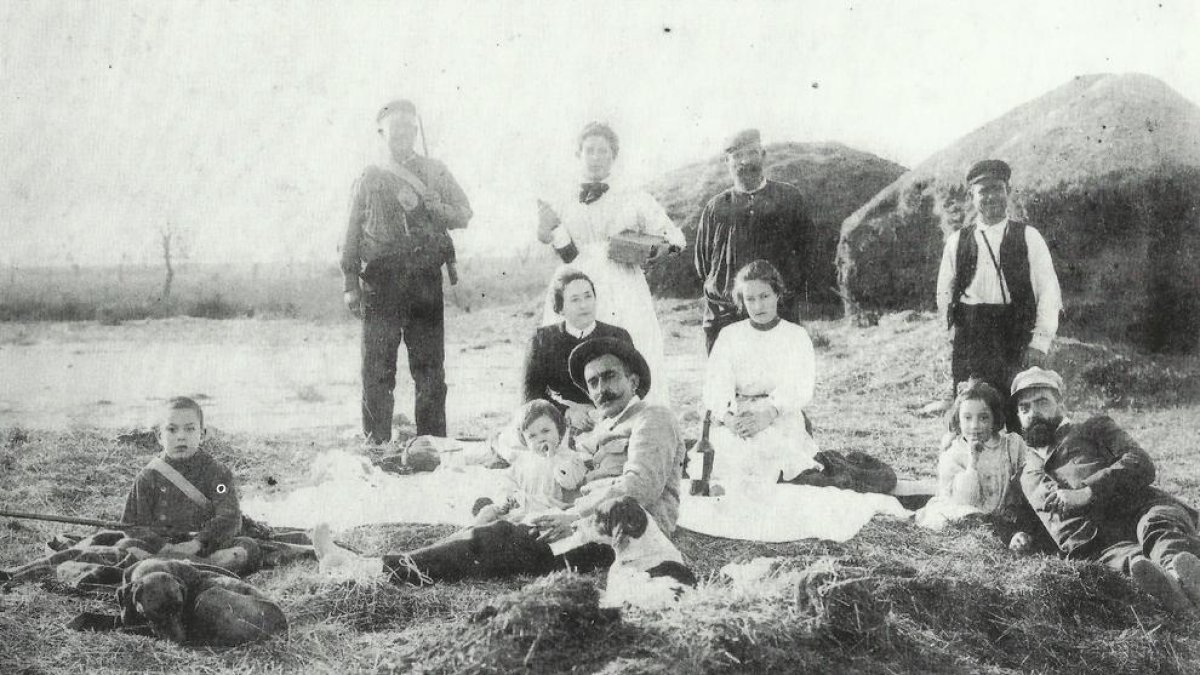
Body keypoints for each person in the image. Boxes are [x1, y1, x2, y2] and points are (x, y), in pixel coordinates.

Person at [316, 337, 685, 584]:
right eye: (592, 383)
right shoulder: (600, 429)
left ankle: (368, 570)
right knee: (492, 525)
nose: (601, 389)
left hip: (626, 537)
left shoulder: (653, 419)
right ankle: (366, 563)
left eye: (610, 377)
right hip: (586, 527)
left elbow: (639, 488)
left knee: (497, 540)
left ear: (634, 381)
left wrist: (569, 517)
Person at [1, 397, 266, 585]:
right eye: (171, 430)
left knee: (244, 551)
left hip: (207, 547)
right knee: (126, 547)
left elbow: (229, 516)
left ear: (203, 433)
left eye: (189, 429)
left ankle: (176, 571)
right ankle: (174, 570)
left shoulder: (217, 473)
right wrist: (164, 547)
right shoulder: (149, 477)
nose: (181, 437)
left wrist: (197, 543)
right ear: (159, 437)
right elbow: (133, 525)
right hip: (159, 550)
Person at [1013, 367, 1200, 614]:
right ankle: (1173, 591)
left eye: (1041, 402)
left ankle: (1181, 577)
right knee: (1133, 564)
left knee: (1158, 529)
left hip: (1140, 510)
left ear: (1060, 403)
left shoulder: (1094, 428)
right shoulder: (1024, 474)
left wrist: (1088, 491)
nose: (1033, 413)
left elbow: (1140, 462)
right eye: (1024, 408)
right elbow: (1028, 519)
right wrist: (1018, 534)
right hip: (1096, 545)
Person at [341, 98, 473, 443]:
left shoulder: (435, 170)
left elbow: (464, 213)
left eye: (407, 128)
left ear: (415, 132)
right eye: (393, 129)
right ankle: (377, 444)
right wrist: (349, 282)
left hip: (424, 281)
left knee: (430, 370)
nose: (401, 134)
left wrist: (437, 206)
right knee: (376, 370)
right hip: (379, 283)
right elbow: (352, 231)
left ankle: (432, 445)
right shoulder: (369, 176)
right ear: (382, 133)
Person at [536, 121, 685, 405]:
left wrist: (650, 251)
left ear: (613, 157)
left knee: (628, 346)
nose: (595, 158)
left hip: (622, 283)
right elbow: (549, 235)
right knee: (571, 346)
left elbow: (674, 237)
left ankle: (636, 418)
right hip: (575, 279)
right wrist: (544, 229)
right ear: (578, 154)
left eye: (603, 151)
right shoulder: (563, 197)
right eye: (589, 150)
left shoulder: (633, 196)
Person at [935, 159, 1062, 409]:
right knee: (972, 411)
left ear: (1008, 192)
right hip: (972, 334)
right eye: (983, 191)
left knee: (1016, 410)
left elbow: (1049, 291)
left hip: (1014, 333)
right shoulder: (957, 241)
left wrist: (1039, 342)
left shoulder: (1028, 237)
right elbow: (944, 290)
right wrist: (951, 327)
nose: (991, 197)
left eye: (997, 189)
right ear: (972, 196)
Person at [693, 128, 817, 354]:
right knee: (728, 384)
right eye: (737, 156)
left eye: (751, 153)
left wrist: (784, 293)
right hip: (725, 317)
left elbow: (808, 254)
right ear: (727, 161)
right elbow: (703, 265)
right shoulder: (716, 207)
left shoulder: (789, 198)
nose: (744, 162)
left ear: (763, 155)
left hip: (778, 314)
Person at [701, 260, 820, 486]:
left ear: (777, 294)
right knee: (726, 453)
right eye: (750, 299)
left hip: (779, 416)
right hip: (739, 415)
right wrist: (729, 419)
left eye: (764, 296)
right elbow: (716, 383)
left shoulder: (795, 336)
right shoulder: (729, 335)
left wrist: (767, 414)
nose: (758, 306)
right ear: (742, 301)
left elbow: (800, 385)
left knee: (767, 451)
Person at [916, 379, 1041, 549]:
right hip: (968, 509)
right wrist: (972, 462)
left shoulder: (1010, 445)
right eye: (967, 418)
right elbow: (966, 500)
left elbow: (1030, 470)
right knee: (967, 517)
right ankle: (1000, 534)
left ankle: (1016, 533)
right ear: (958, 420)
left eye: (983, 418)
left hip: (1004, 510)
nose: (974, 426)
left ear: (994, 418)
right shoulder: (954, 453)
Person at [522, 268, 633, 434]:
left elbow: (633, 386)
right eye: (574, 300)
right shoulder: (542, 340)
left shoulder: (618, 336)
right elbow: (530, 397)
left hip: (612, 419)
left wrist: (605, 411)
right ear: (560, 308)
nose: (584, 305)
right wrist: (567, 413)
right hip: (560, 421)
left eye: (588, 296)